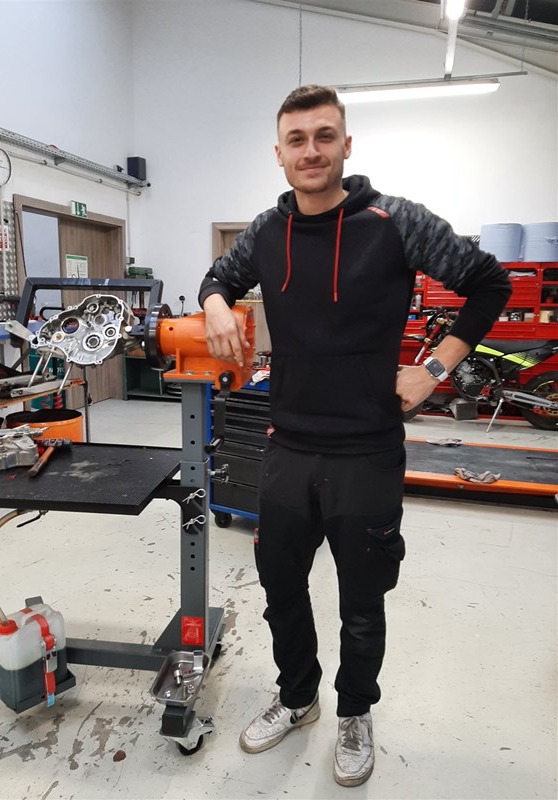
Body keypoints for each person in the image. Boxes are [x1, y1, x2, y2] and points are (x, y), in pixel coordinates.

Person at [198, 85, 512, 787]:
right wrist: (216, 301)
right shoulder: (266, 230)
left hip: (367, 450)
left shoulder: (395, 223)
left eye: (324, 136)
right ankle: (298, 698)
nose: (311, 151)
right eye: (297, 139)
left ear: (346, 144)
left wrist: (435, 368)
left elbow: (490, 283)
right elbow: (217, 276)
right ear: (279, 153)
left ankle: (354, 713)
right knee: (281, 588)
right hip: (288, 445)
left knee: (362, 602)